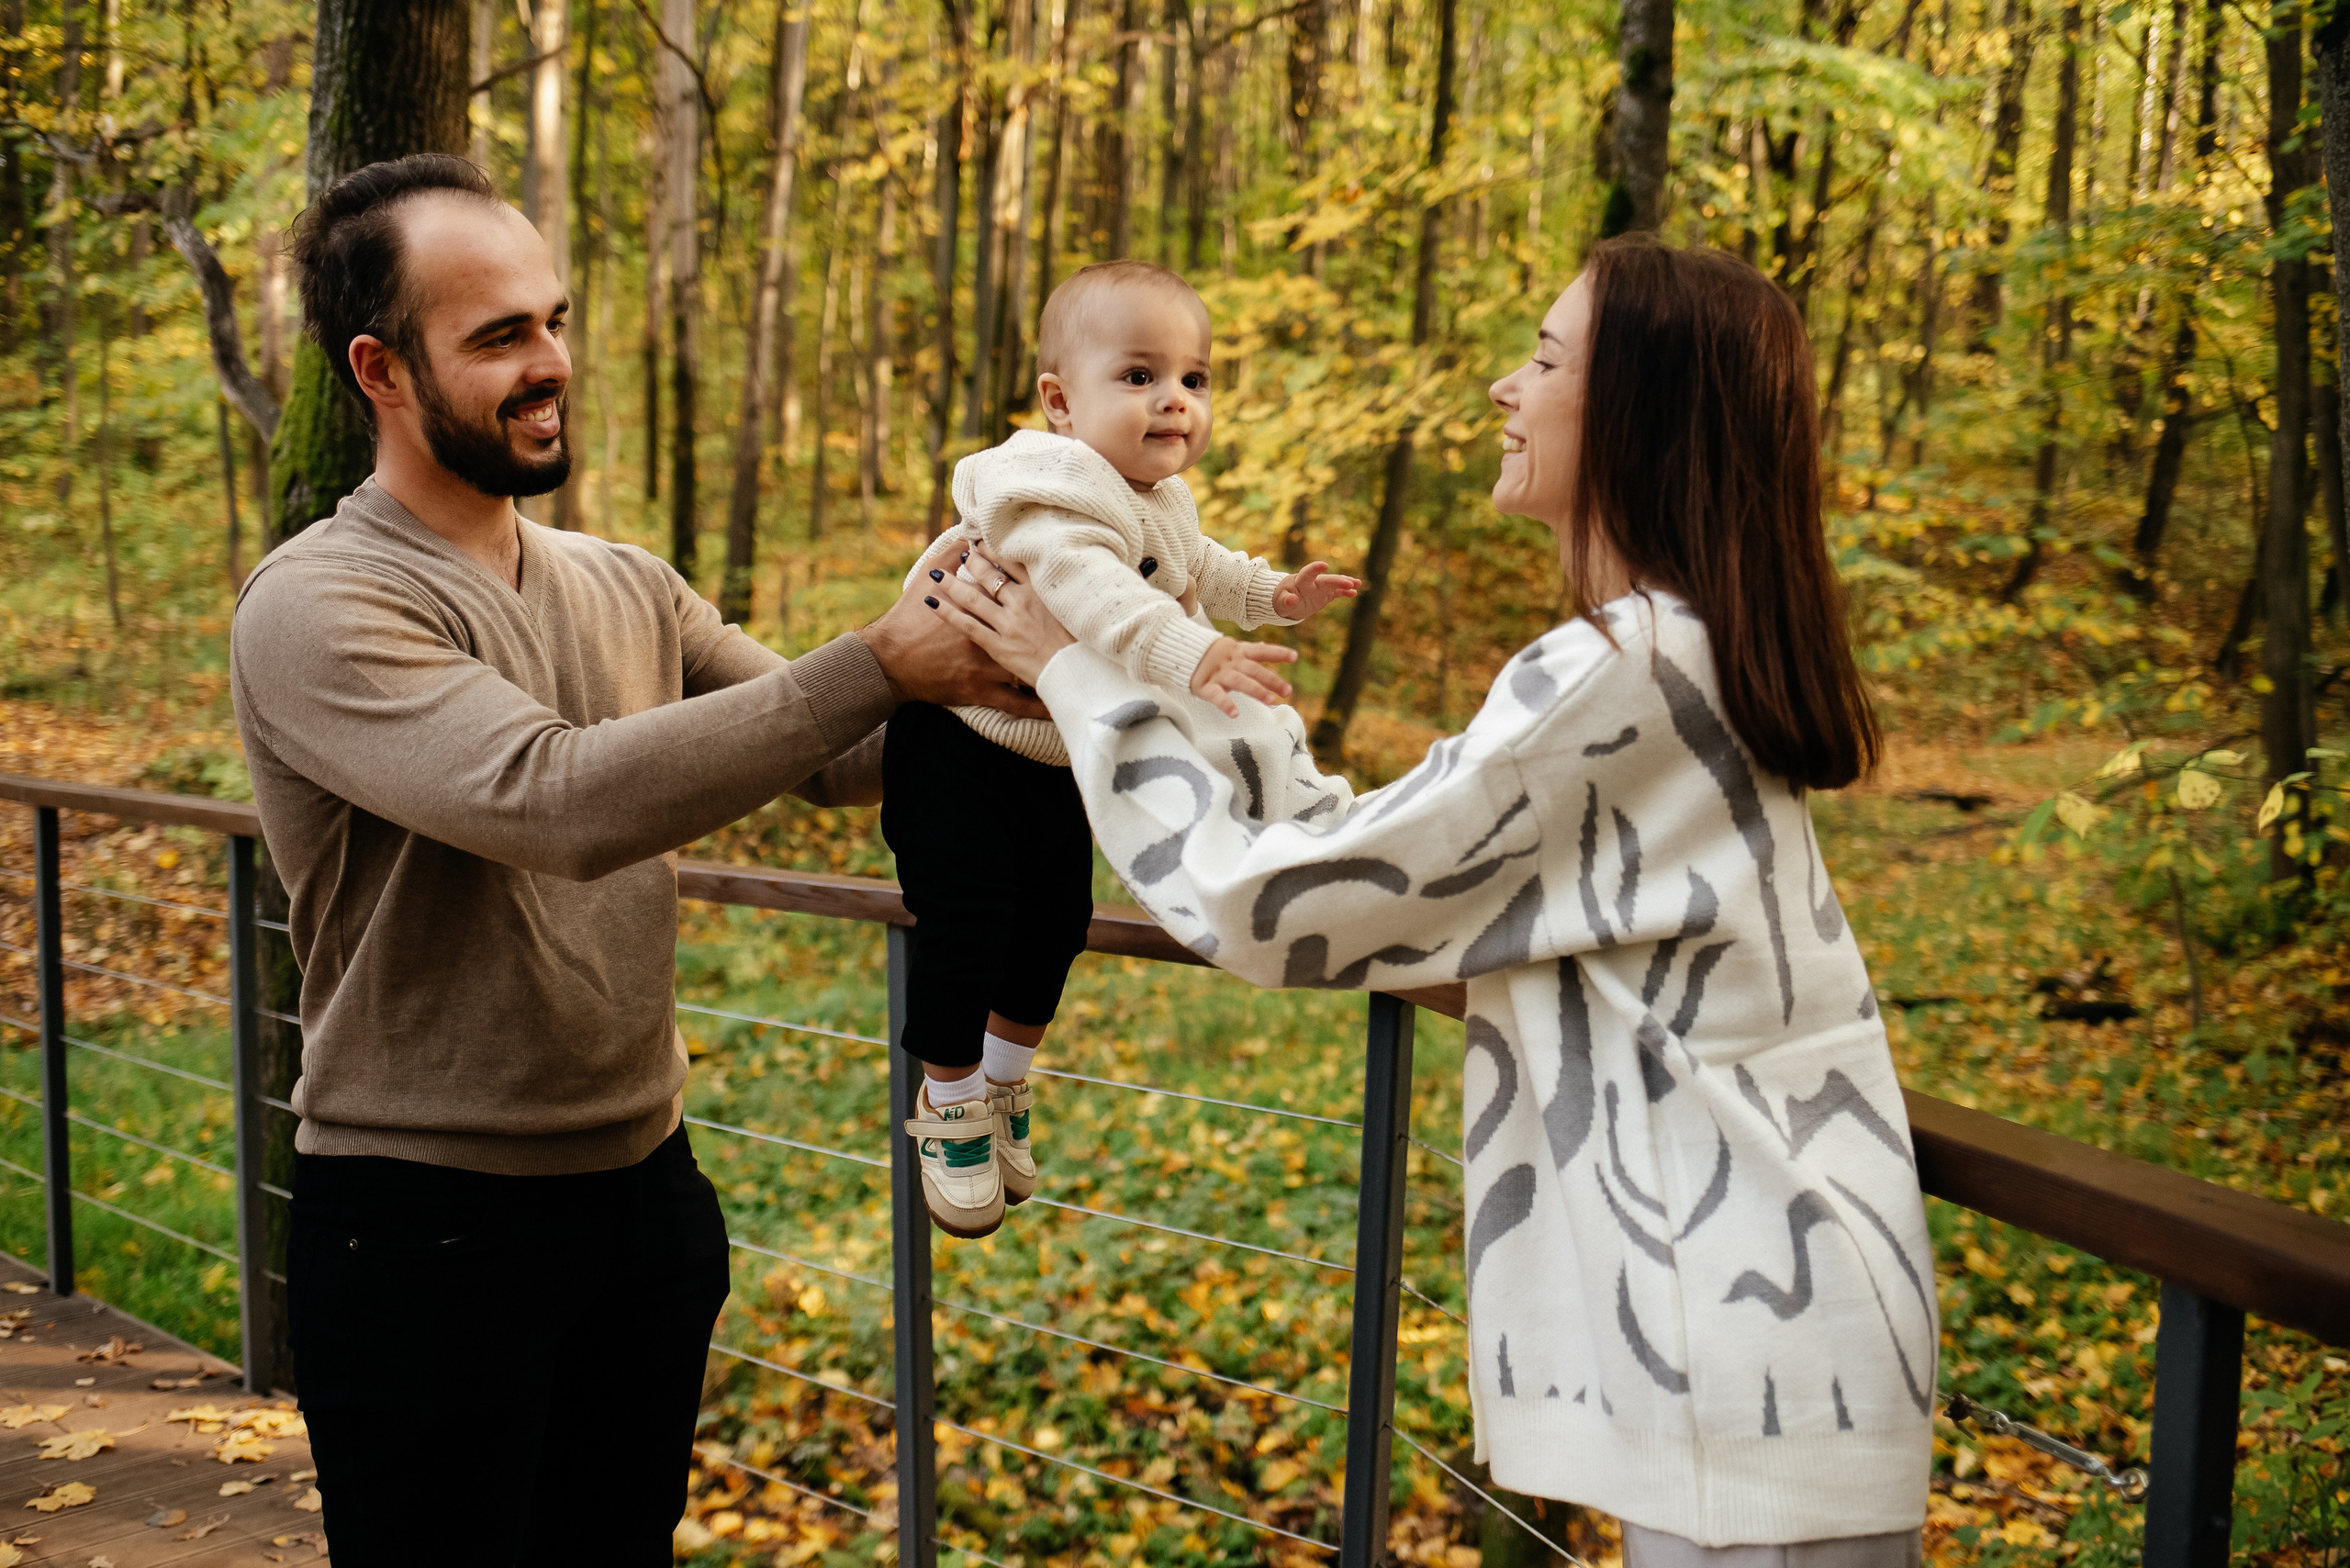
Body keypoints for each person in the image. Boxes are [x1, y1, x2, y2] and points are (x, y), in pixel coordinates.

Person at [928, 237, 1937, 1563]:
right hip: (1754, 1340)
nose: (1505, 392)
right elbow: (1376, 855)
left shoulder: (1627, 677)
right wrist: (1185, 682)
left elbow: (1260, 906)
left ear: (1633, 409)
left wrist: (1076, 672)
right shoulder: (1673, 655)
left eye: (1544, 358)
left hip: (1751, 1351)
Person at [228, 154, 1038, 1566]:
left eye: (551, 320)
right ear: (380, 370)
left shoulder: (625, 581)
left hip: (646, 1193)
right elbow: (559, 801)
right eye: (498, 339)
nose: (550, 365)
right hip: (424, 1227)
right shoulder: (317, 604)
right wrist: (879, 662)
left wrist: (1004, 644)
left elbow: (840, 756)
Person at [885, 260, 1359, 1238]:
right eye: (1139, 376)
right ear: (1061, 401)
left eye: (1195, 378)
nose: (1174, 401)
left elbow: (1197, 566)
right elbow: (1102, 596)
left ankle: (1006, 1085)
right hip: (961, 748)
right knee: (967, 920)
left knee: (1056, 920)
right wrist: (1200, 656)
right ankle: (948, 1101)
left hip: (1057, 752)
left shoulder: (1158, 497)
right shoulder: (1047, 491)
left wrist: (1273, 595)